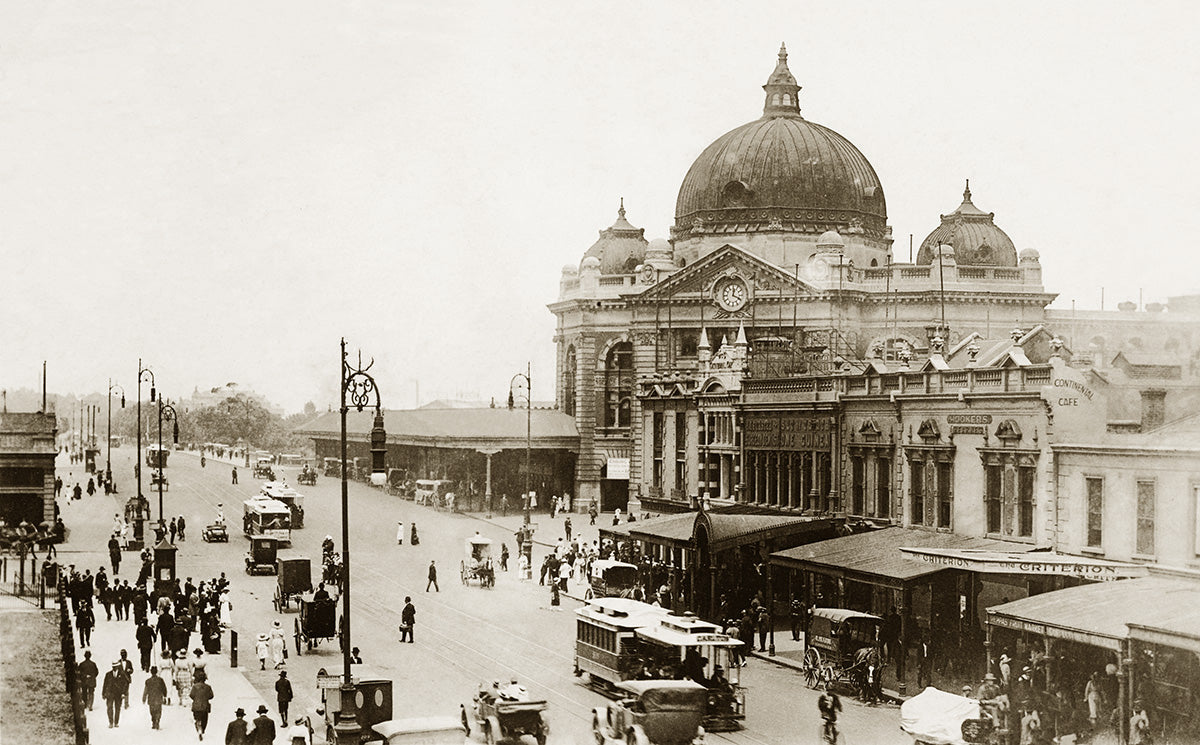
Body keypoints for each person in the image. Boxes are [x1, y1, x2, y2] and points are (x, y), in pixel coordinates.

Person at [102, 660, 129, 728]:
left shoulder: (122, 674)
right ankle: (111, 722)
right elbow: (105, 684)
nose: (114, 668)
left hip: (118, 694)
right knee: (109, 707)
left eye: (115, 666)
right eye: (113, 666)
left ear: (118, 667)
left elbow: (126, 684)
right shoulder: (108, 674)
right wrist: (103, 693)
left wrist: (124, 693)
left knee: (118, 708)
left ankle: (116, 722)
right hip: (110, 693)